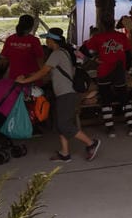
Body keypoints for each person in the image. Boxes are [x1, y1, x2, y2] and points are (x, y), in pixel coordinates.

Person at [18, 28, 101, 163]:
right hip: (64, 94)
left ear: (52, 40)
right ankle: (64, 153)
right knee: (60, 124)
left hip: (66, 94)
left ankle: (91, 143)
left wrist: (25, 81)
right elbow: (46, 73)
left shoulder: (56, 54)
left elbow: (44, 71)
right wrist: (29, 76)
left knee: (64, 124)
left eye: (47, 39)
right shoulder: (63, 53)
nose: (46, 41)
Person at [83, 21, 132, 137]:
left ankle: (110, 128)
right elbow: (128, 54)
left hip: (104, 71)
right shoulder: (121, 36)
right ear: (113, 24)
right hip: (119, 70)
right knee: (124, 98)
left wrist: (95, 59)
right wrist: (126, 68)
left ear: (102, 25)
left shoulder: (98, 37)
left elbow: (84, 49)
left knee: (106, 99)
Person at [2, 14, 45, 83]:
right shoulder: (34, 40)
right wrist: (43, 75)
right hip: (31, 79)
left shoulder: (10, 39)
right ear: (31, 26)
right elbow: (40, 60)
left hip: (14, 78)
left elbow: (4, 58)